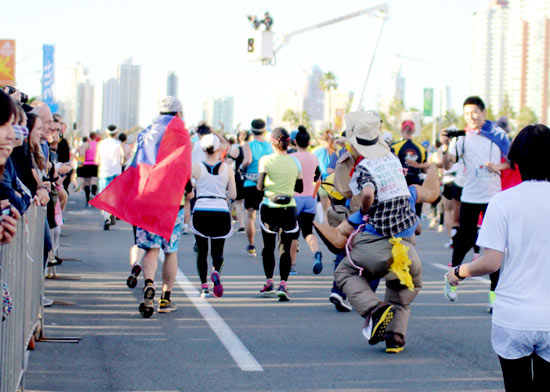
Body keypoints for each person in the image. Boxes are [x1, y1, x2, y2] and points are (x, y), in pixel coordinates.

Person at [445, 124, 550, 391]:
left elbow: (491, 263)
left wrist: (457, 272)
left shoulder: (502, 202)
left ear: (514, 161)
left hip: (514, 317)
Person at [333, 111, 432, 354]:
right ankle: (396, 337)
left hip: (377, 242)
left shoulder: (364, 168)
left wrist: (366, 208)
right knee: (402, 290)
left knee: (344, 271)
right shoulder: (392, 160)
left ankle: (374, 309)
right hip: (407, 248)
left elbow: (366, 193)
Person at [441, 96, 510, 310]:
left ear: (484, 113)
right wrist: (445, 148)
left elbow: (511, 162)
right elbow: (447, 164)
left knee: (495, 246)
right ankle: (451, 281)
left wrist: (497, 167)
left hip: (493, 198)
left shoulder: (499, 136)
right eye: (467, 113)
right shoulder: (461, 138)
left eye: (474, 112)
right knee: (464, 241)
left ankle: (494, 295)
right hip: (470, 196)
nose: (471, 117)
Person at [135, 97, 190, 317]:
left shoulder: (146, 133)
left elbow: (136, 164)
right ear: (178, 114)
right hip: (172, 201)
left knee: (151, 248)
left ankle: (149, 284)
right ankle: (165, 299)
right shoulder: (181, 134)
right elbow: (184, 167)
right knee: (171, 250)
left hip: (148, 197)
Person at [257, 127, 302, 301]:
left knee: (268, 247)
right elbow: (299, 188)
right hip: (289, 207)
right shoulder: (295, 162)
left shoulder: (266, 160)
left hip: (269, 206)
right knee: (285, 247)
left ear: (273, 142)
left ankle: (269, 283)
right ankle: (283, 284)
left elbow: (260, 186)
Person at [191, 133, 236, 298]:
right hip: (221, 211)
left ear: (203, 149)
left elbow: (188, 188)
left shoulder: (196, 167)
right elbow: (233, 194)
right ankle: (216, 271)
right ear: (218, 149)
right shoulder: (227, 168)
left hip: (201, 210)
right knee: (218, 251)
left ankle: (204, 287)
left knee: (201, 252)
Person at [289, 126, 323, 275]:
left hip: (295, 198)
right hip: (310, 198)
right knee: (308, 231)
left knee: (293, 233)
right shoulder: (314, 158)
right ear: (309, 143)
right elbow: (318, 179)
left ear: (295, 142)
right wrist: (314, 194)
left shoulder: (292, 158)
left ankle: (293, 266)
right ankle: (316, 252)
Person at [240, 119, 273, 256]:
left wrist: (241, 168)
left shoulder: (248, 145)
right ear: (264, 130)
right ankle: (267, 243)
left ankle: (252, 245)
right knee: (267, 215)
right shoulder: (270, 146)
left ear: (251, 131)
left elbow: (247, 160)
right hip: (267, 182)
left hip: (251, 183)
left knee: (251, 215)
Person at [391, 120, 427, 216]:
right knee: (415, 213)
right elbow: (425, 169)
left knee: (399, 212)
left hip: (399, 183)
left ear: (402, 130)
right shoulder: (421, 149)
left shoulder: (394, 147)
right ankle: (415, 230)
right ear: (413, 131)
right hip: (415, 183)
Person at [95, 124, 123, 230]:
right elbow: (122, 159)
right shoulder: (119, 144)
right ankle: (113, 213)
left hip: (104, 172)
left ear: (106, 133)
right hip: (116, 172)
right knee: (115, 196)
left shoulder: (101, 144)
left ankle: (106, 217)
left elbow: (97, 160)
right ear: (116, 134)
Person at [225, 130, 249, 233]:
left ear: (239, 137)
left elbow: (227, 163)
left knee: (238, 202)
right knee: (247, 204)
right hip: (251, 179)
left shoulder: (237, 149)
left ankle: (242, 225)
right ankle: (248, 223)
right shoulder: (251, 149)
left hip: (238, 178)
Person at [312, 129, 336, 224]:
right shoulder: (336, 151)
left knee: (325, 211)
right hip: (334, 183)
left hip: (322, 183)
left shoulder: (318, 151)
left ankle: (326, 232)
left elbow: (314, 168)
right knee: (333, 210)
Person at [76, 132, 99, 206]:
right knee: (94, 181)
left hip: (86, 164)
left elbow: (82, 154)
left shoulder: (86, 144)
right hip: (95, 164)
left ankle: (87, 198)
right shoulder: (98, 144)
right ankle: (93, 194)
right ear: (95, 137)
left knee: (86, 183)